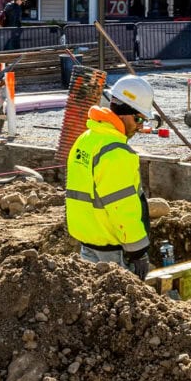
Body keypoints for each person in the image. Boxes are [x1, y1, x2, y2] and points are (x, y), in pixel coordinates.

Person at [65, 75, 154, 280]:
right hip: (113, 252)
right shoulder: (116, 152)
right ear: (123, 113)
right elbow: (121, 207)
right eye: (138, 119)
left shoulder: (86, 139)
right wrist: (138, 250)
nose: (140, 126)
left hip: (88, 246)